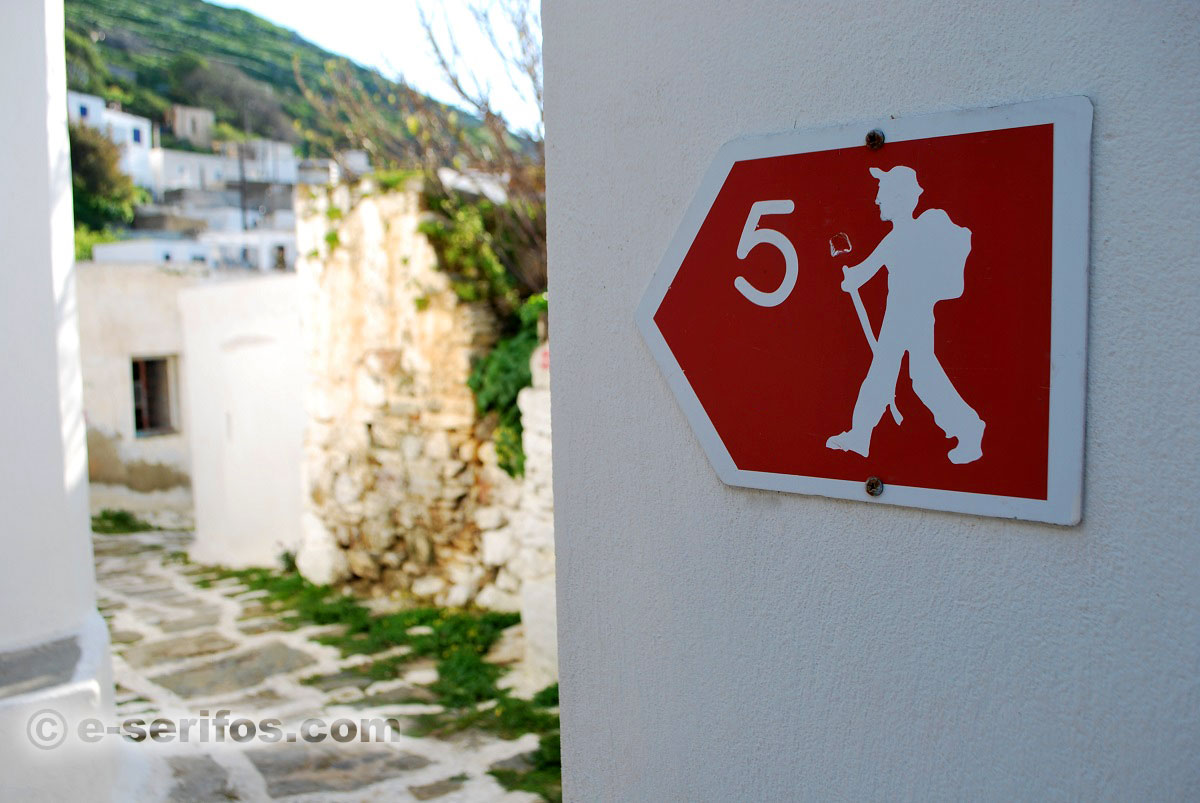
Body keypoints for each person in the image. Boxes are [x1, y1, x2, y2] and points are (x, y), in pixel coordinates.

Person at [826, 165, 985, 464]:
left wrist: (851, 278)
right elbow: (865, 271)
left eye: (881, 194)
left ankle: (970, 429)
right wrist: (852, 278)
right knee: (887, 375)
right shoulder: (897, 237)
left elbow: (864, 272)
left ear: (899, 198)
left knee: (919, 376)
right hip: (901, 318)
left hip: (912, 318)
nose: (876, 201)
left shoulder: (905, 237)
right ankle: (861, 435)